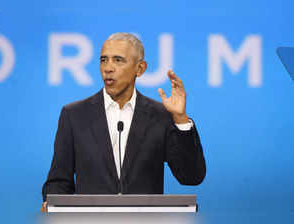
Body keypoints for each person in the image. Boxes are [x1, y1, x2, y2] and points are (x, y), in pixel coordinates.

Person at [41, 32, 206, 212]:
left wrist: (180, 119)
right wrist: (53, 205)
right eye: (104, 60)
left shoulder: (160, 115)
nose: (108, 68)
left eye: (118, 60)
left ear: (140, 69)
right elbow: (58, 181)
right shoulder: (74, 115)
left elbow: (191, 176)